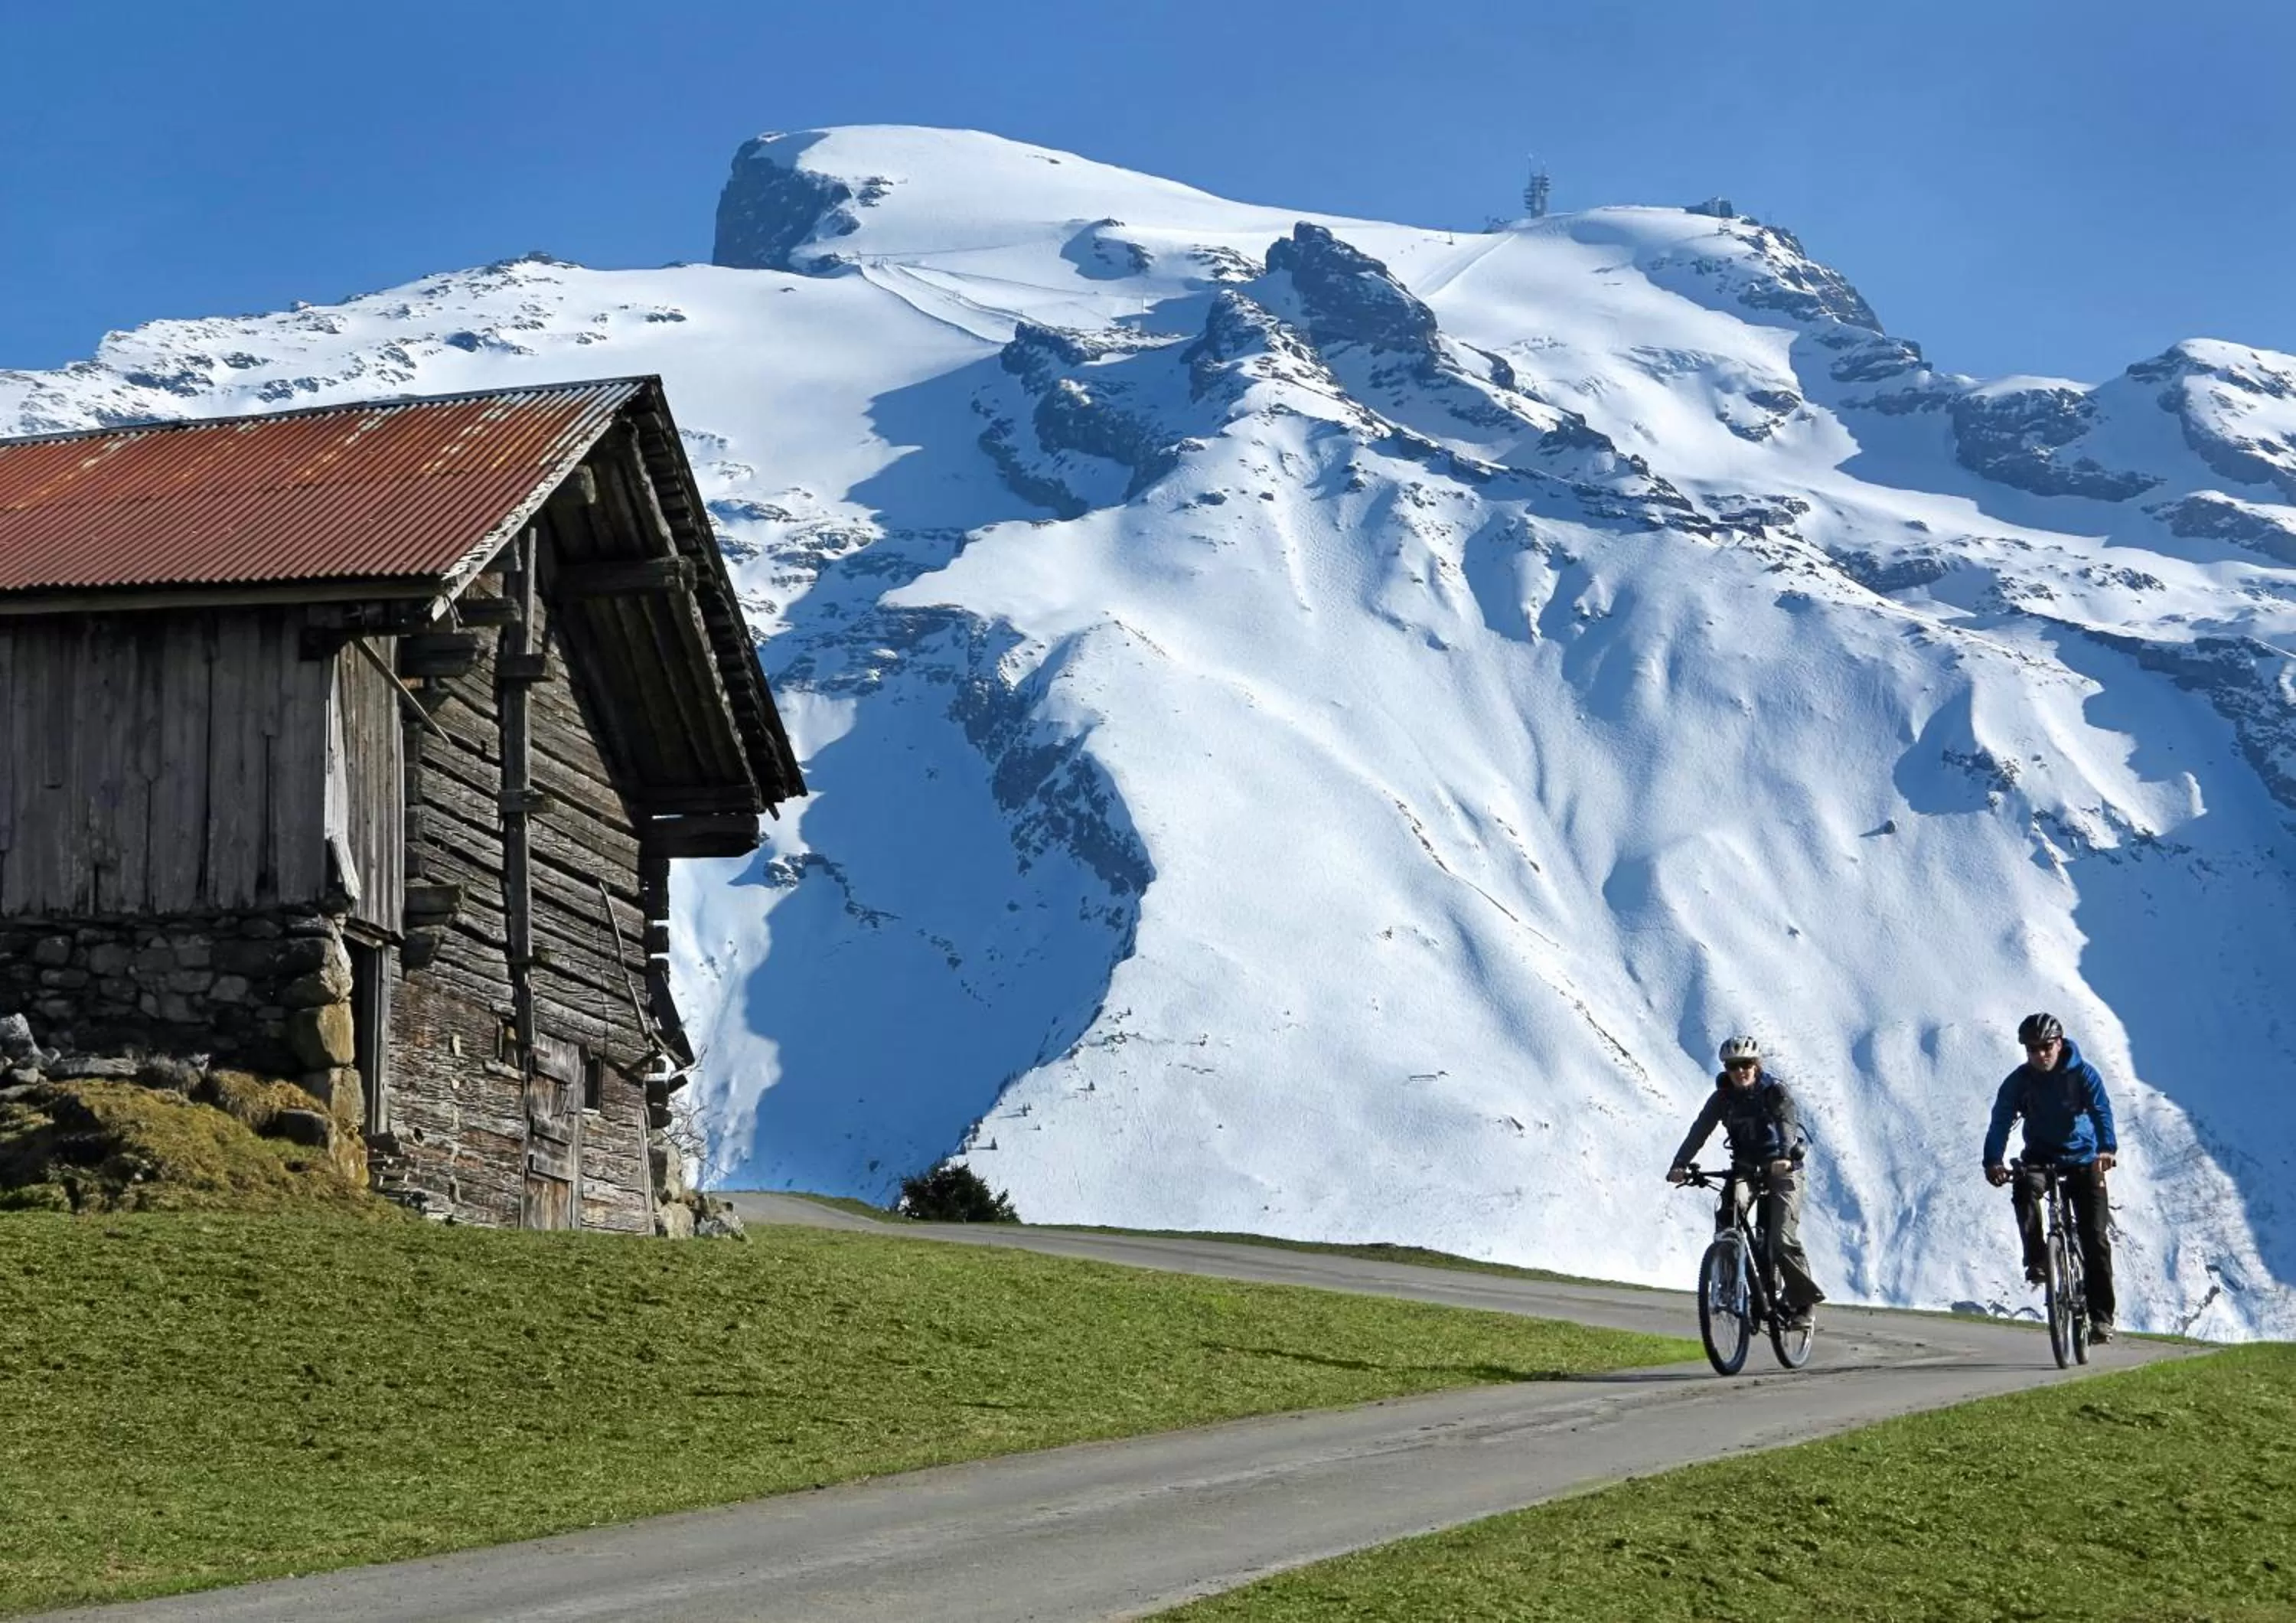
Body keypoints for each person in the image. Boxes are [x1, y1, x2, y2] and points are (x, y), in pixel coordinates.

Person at [1666, 1036, 1825, 1328]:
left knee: (1781, 1238)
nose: (1740, 1071)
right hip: (1746, 1169)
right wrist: (1680, 1163)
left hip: (1783, 1170)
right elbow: (1699, 1131)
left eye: (1746, 1064)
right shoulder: (1722, 1098)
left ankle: (1803, 1304)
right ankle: (1729, 1287)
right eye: (1733, 1066)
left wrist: (1784, 1157)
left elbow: (1786, 1125)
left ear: (1756, 1065)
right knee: (1728, 1216)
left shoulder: (1774, 1091)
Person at [1984, 1012, 2118, 1341]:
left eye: (2046, 1047)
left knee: (2095, 1238)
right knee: (2024, 1189)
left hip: (2084, 1160)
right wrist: (1993, 1161)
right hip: (2041, 1158)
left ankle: (2101, 1319)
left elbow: (2101, 1111)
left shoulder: (2083, 1074)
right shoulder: (2019, 1082)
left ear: (2059, 1043)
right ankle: (2038, 1260)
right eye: (2032, 1049)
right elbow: (2001, 1120)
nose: (2040, 1054)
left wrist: (2107, 1148)